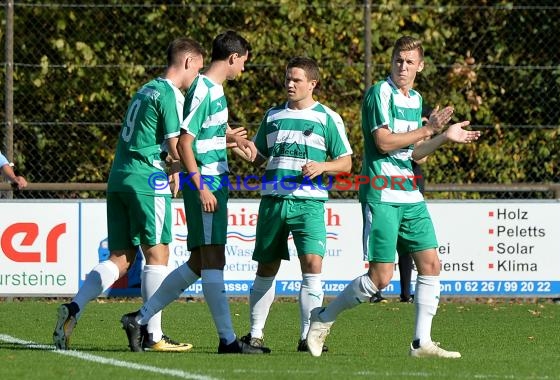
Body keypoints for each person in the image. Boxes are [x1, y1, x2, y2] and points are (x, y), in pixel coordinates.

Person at [307, 36, 481, 358]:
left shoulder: (415, 99)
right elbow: (384, 142)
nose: (403, 67)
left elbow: (417, 153)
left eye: (409, 62)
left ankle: (421, 343)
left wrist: (443, 136)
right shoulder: (378, 94)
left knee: (431, 264)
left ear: (420, 66)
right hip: (382, 192)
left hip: (409, 193)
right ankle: (322, 318)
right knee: (380, 278)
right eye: (398, 60)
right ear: (391, 62)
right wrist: (429, 130)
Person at [53, 37, 206, 352]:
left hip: (119, 177)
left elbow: (155, 139)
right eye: (198, 71)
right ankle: (153, 335)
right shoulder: (170, 95)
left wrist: (174, 168)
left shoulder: (145, 89)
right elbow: (177, 147)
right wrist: (217, 146)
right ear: (188, 62)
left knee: (120, 259)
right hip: (147, 180)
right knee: (158, 253)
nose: (196, 80)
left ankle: (74, 308)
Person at [121, 31, 266, 354]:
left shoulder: (210, 90)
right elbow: (185, 142)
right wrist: (200, 187)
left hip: (213, 181)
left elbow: (200, 136)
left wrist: (232, 139)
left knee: (202, 262)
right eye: (243, 61)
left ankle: (140, 318)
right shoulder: (205, 90)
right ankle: (227, 340)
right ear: (232, 58)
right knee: (213, 260)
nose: (243, 68)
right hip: (209, 183)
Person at [238, 57, 352, 353]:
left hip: (309, 204)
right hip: (274, 202)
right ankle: (255, 334)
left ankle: (307, 337)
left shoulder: (328, 117)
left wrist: (323, 166)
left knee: (312, 266)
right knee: (266, 268)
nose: (290, 84)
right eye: (288, 78)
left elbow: (346, 162)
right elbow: (258, 156)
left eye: (296, 80)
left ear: (312, 84)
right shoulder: (273, 115)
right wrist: (233, 144)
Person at [369, 105, 431, 304]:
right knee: (384, 241)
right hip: (386, 184)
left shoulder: (421, 115)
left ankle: (406, 293)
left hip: (411, 185)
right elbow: (385, 143)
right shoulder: (390, 117)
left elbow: (421, 157)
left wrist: (426, 131)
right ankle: (375, 291)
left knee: (408, 244)